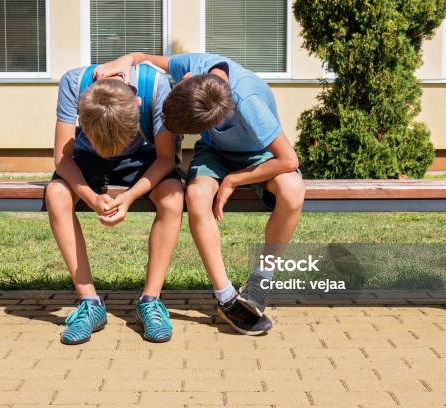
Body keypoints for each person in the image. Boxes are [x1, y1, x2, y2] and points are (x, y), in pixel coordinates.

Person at [96, 53, 305, 336]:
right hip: (215, 154)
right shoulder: (195, 66)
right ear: (186, 80)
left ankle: (262, 279)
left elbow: (289, 160)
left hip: (261, 156)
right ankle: (226, 297)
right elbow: (145, 58)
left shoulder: (249, 102)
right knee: (195, 196)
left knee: (292, 191)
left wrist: (233, 180)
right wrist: (127, 60)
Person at [46, 62, 184, 344]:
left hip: (143, 159)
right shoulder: (73, 83)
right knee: (56, 194)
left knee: (173, 195)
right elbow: (62, 158)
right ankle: (90, 304)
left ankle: (150, 301)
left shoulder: (156, 87)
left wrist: (129, 196)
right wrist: (91, 196)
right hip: (86, 158)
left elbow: (166, 158)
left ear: (138, 103)